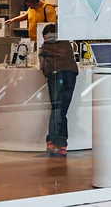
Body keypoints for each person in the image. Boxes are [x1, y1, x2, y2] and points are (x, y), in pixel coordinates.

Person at [39, 23, 78, 157]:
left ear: (44, 35)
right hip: (71, 75)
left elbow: (43, 67)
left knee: (56, 109)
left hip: (56, 75)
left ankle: (53, 142)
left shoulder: (45, 47)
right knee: (63, 110)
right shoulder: (67, 43)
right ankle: (61, 145)